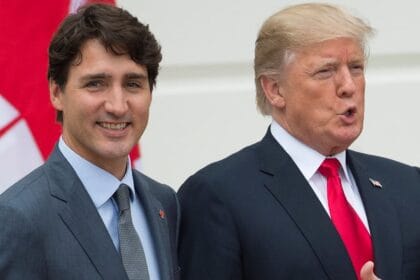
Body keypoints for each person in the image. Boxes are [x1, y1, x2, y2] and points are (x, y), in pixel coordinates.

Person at [178, 3, 420, 280]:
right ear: (275, 89)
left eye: (355, 68)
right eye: (326, 71)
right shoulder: (218, 196)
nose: (348, 86)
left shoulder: (409, 185)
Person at [0, 3, 179, 280]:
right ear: (57, 92)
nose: (118, 106)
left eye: (133, 84)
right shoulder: (19, 218)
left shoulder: (164, 202)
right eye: (96, 83)